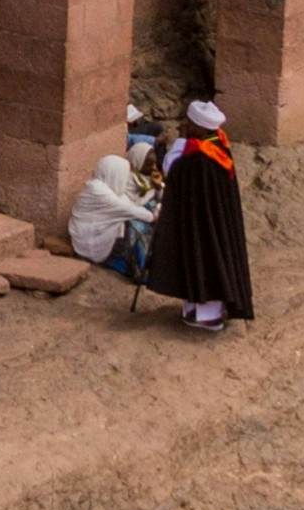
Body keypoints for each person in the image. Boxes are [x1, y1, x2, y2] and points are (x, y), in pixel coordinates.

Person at [143, 98, 254, 333]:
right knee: (199, 259)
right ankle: (194, 309)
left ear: (200, 127)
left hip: (202, 223)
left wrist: (179, 148)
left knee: (206, 260)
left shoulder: (200, 156)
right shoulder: (219, 146)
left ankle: (208, 316)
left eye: (189, 123)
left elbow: (173, 172)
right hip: (208, 220)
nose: (185, 126)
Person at [68, 148, 155, 279]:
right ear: (115, 173)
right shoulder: (98, 191)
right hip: (88, 241)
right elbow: (129, 210)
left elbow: (131, 205)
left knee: (135, 224)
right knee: (136, 228)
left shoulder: (109, 189)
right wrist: (153, 216)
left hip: (98, 232)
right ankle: (139, 269)